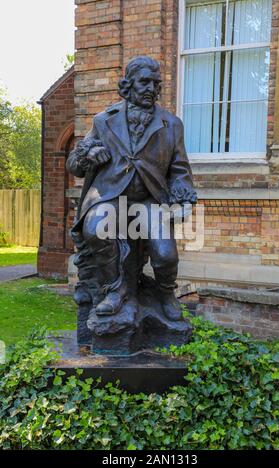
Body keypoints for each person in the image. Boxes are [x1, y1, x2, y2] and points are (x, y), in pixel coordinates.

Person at [66, 56, 197, 322]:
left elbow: (180, 170)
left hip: (149, 200)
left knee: (165, 254)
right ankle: (114, 291)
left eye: (155, 83)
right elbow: (74, 164)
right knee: (95, 229)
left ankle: (165, 293)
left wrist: (182, 195)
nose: (151, 88)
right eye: (144, 82)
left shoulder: (172, 124)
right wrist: (90, 154)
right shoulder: (104, 121)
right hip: (109, 196)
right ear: (128, 86)